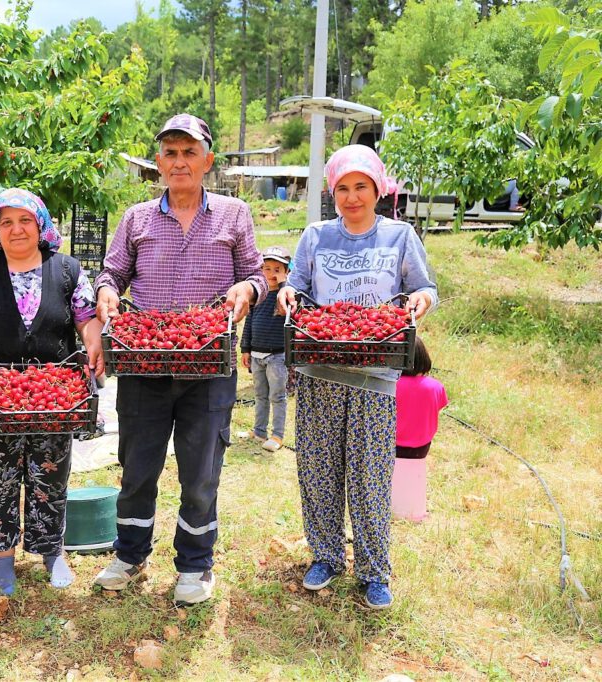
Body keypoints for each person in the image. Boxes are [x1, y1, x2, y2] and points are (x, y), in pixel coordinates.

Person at [93, 113, 265, 606]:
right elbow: (111, 273)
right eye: (170, 153)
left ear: (208, 161)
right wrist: (106, 292)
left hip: (208, 363)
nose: (179, 162)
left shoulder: (234, 214)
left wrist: (246, 290)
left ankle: (194, 563)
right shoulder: (137, 218)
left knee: (201, 471)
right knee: (137, 466)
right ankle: (130, 554)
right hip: (145, 362)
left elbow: (255, 274)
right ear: (158, 162)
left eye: (190, 152)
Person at [277, 144, 437, 610]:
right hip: (321, 368)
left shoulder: (399, 236)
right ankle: (326, 556)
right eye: (343, 188)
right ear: (333, 192)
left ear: (378, 189)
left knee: (370, 477)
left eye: (360, 187)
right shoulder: (316, 235)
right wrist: (287, 294)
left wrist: (422, 301)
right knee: (318, 470)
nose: (351, 197)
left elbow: (424, 287)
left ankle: (373, 570)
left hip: (376, 373)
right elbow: (297, 286)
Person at [0, 188, 105, 596]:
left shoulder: (66, 270)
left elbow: (87, 318)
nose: (16, 230)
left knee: (50, 473)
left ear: (41, 225)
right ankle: (2, 556)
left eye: (25, 221)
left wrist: (93, 343)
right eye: (6, 223)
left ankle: (51, 551)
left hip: (56, 394)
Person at [240, 245, 292, 452]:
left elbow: (289, 317)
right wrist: (245, 348)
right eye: (267, 269)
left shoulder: (285, 297)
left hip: (276, 355)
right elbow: (249, 322)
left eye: (277, 270)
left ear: (287, 272)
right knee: (260, 395)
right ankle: (259, 431)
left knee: (277, 396)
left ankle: (277, 435)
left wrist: (284, 285)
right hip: (256, 353)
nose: (271, 274)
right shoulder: (258, 295)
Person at [391, 337, 448, 522]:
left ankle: (392, 508)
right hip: (422, 446)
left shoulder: (390, 386)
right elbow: (439, 406)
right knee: (414, 475)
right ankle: (413, 510)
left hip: (391, 444)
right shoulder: (436, 387)